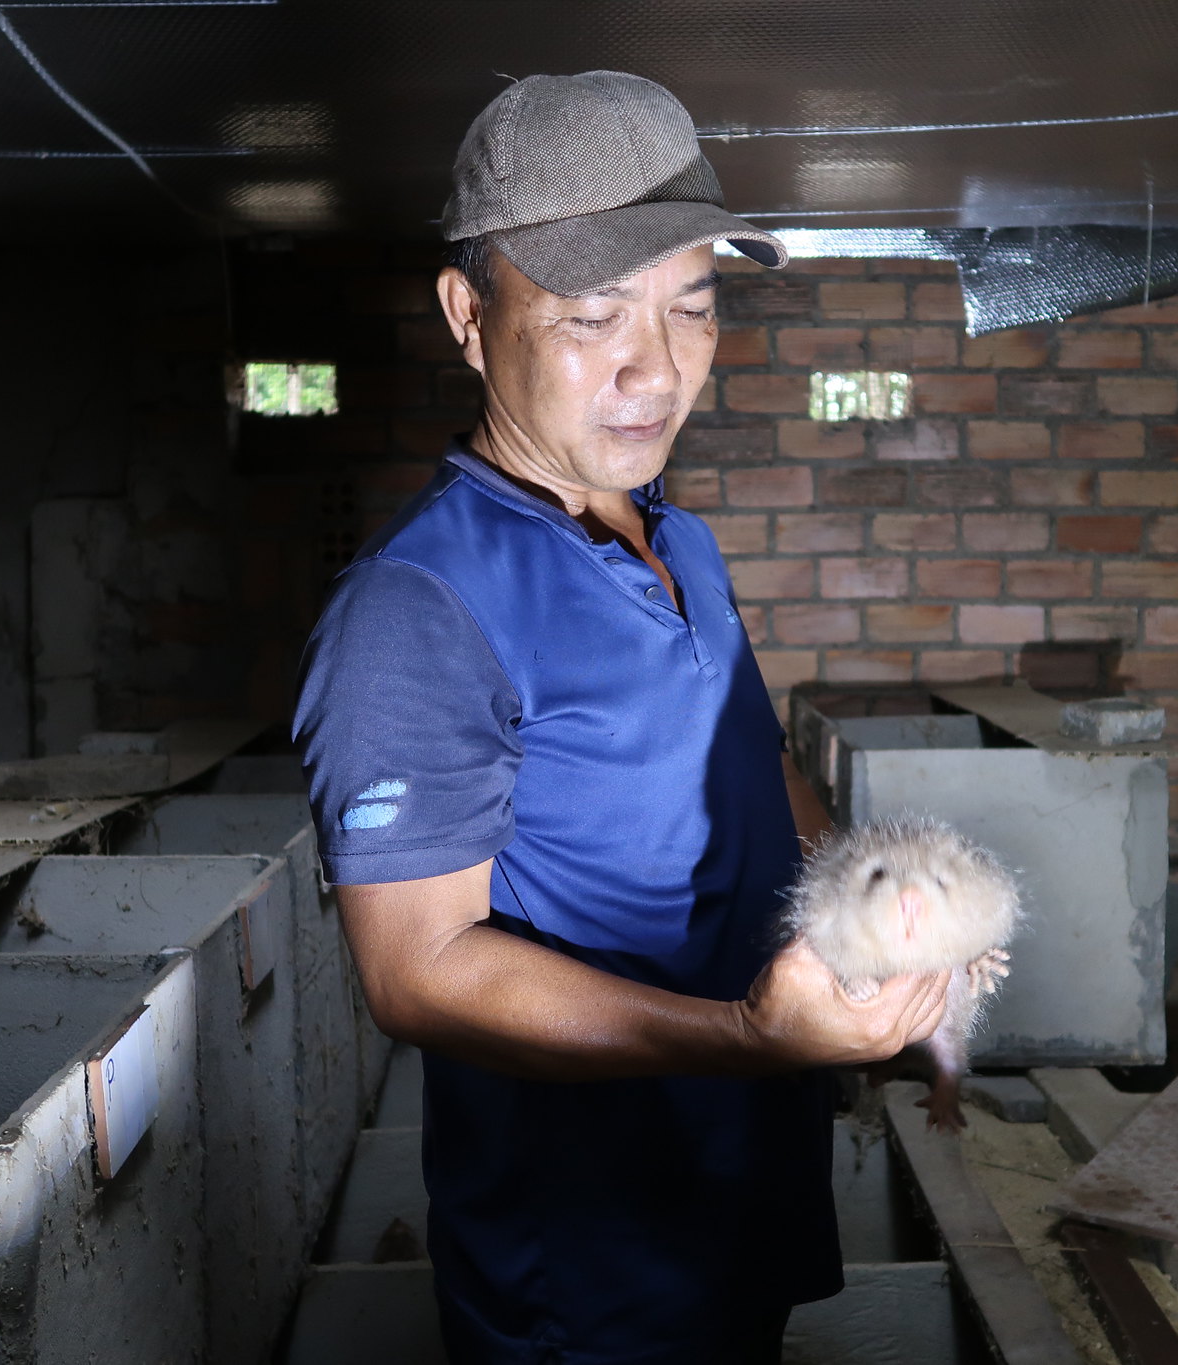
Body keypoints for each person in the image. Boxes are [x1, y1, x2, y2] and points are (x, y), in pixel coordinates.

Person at [292, 70, 951, 1364]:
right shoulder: (420, 607)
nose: (656, 368)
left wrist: (871, 924)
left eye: (692, 307)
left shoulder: (680, 545)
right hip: (584, 1275)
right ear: (467, 315)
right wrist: (753, 1038)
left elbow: (753, 768)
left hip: (739, 1205)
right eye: (594, 315)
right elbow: (416, 970)